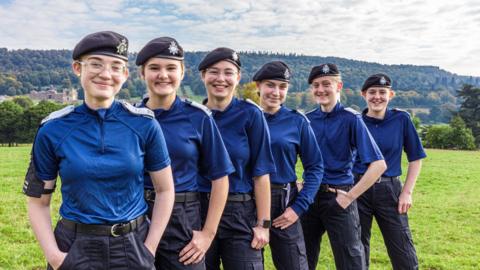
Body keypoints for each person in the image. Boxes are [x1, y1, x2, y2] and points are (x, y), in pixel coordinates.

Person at [23, 31, 175, 270]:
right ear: (77, 68)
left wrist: (149, 248)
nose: (106, 74)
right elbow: (38, 202)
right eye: (95, 64)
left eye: (116, 67)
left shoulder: (145, 125)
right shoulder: (53, 129)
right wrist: (55, 257)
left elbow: (165, 189)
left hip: (133, 245)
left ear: (125, 75)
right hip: (74, 247)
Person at [135, 37, 235, 270]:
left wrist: (208, 234)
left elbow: (220, 178)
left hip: (182, 218)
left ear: (182, 73)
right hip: (136, 215)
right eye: (154, 68)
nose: (163, 75)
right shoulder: (130, 118)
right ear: (142, 73)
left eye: (171, 68)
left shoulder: (198, 117)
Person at [301, 63, 387, 270]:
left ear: (338, 86)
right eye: (316, 85)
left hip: (338, 196)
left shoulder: (351, 118)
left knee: (351, 261)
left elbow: (378, 165)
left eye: (326, 84)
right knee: (302, 259)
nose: (321, 89)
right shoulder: (306, 120)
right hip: (309, 197)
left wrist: (349, 197)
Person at [197, 47, 276, 270]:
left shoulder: (251, 115)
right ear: (203, 75)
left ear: (238, 77)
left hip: (240, 213)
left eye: (228, 72)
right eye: (213, 72)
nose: (221, 79)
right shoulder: (193, 115)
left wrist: (264, 224)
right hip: (198, 211)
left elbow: (261, 173)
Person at [253, 61, 324, 270]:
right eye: (270, 85)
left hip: (284, 201)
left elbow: (315, 167)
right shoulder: (246, 117)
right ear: (258, 86)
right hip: (249, 200)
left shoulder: (297, 121)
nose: (276, 92)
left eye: (282, 87)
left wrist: (298, 208)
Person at [353, 74, 426, 270]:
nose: (377, 97)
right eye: (372, 92)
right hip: (358, 189)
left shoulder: (401, 119)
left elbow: (416, 157)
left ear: (391, 94)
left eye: (382, 92)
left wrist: (407, 192)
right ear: (363, 95)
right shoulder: (355, 121)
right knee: (357, 249)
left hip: (390, 189)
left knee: (402, 249)